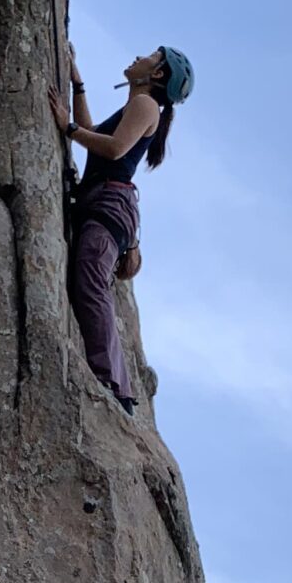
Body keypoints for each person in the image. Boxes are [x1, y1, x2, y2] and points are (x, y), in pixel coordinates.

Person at [47, 44, 193, 412]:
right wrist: (77, 82)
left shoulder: (146, 107)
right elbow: (97, 135)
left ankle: (113, 385)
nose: (139, 57)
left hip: (109, 207)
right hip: (107, 205)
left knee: (91, 282)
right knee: (90, 281)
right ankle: (113, 381)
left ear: (157, 74)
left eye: (151, 56)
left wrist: (68, 127)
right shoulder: (138, 107)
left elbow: (111, 149)